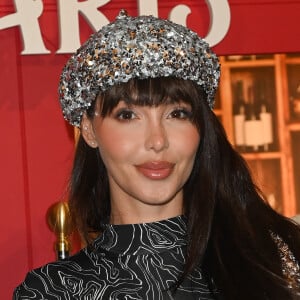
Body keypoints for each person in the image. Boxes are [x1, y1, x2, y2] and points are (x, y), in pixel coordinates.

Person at [14, 10, 300, 300]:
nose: (157, 141)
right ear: (89, 130)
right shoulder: (54, 291)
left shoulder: (276, 263)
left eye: (177, 114)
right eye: (127, 115)